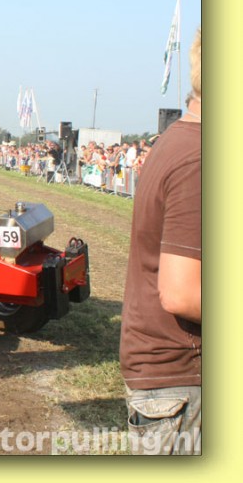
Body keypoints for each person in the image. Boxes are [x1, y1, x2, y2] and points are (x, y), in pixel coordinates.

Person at [119, 27, 201, 455]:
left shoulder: (178, 141)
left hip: (168, 382)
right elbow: (182, 292)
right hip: (183, 381)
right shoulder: (199, 157)